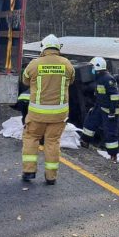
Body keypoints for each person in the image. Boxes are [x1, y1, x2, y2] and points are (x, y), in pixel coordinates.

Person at [21, 34, 75, 185]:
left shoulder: (34, 64)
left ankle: (29, 172)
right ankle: (51, 177)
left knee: (31, 139)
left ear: (43, 47)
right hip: (59, 115)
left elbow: (25, 81)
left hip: (37, 114)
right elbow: (71, 81)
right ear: (57, 48)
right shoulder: (67, 64)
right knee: (52, 142)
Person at [80, 57, 119, 160]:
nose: (91, 70)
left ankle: (113, 155)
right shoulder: (99, 78)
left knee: (110, 132)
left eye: (92, 67)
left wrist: (112, 112)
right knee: (90, 121)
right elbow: (100, 95)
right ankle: (85, 141)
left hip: (110, 111)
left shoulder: (108, 79)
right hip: (101, 107)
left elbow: (115, 96)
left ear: (97, 68)